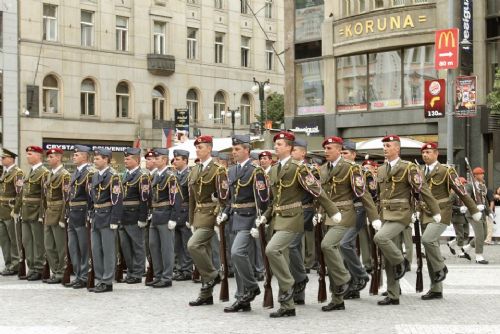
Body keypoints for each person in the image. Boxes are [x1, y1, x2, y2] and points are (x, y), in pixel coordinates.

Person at [257, 131, 339, 318]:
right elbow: (274, 199)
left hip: (293, 218)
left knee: (272, 250)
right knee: (280, 255)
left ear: (289, 148)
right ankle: (287, 304)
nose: (276, 146)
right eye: (275, 144)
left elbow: (317, 191)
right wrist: (266, 216)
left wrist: (333, 212)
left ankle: (288, 286)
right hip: (278, 218)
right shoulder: (276, 168)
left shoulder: (298, 168)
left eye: (279, 144)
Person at [373, 135, 440, 306]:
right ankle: (393, 294)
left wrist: (435, 210)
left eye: (388, 146)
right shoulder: (381, 169)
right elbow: (379, 196)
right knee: (388, 256)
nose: (385, 149)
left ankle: (401, 261)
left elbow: (422, 189)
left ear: (397, 148)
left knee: (380, 238)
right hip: (385, 214)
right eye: (384, 146)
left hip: (401, 214)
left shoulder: (408, 167)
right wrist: (375, 216)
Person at [317, 136, 380, 311]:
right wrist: (319, 213)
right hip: (329, 216)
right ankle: (338, 299)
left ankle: (346, 278)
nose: (326, 152)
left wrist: (374, 217)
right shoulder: (322, 169)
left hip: (346, 213)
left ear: (339, 150)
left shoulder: (351, 168)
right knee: (333, 255)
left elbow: (364, 194)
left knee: (328, 246)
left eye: (330, 148)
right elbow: (323, 196)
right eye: (325, 149)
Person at [419, 142, 480, 300]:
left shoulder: (446, 170)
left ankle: (441, 268)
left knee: (427, 240)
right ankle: (436, 289)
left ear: (436, 154)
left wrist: (473, 209)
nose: (425, 155)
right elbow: (416, 193)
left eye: (428, 152)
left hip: (441, 212)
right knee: (431, 249)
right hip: (424, 213)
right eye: (423, 152)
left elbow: (461, 191)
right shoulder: (419, 171)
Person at [219, 134, 268, 313]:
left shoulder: (256, 171)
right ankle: (242, 297)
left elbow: (263, 199)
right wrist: (225, 213)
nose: (234, 152)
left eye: (237, 149)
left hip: (249, 218)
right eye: (233, 149)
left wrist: (260, 220)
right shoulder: (231, 171)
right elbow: (231, 199)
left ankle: (252, 286)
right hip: (234, 218)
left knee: (237, 252)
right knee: (236, 258)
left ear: (247, 150)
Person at [188, 135, 228, 307]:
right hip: (198, 214)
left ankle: (212, 275)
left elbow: (224, 197)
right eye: (196, 148)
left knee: (193, 245)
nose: (198, 150)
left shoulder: (218, 170)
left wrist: (219, 218)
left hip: (211, 214)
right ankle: (206, 293)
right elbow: (191, 198)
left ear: (209, 149)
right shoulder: (195, 169)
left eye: (201, 147)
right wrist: (190, 220)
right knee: (204, 252)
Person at [338, 141, 377, 300]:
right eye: (341, 153)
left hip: (358, 210)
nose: (343, 156)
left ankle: (361, 275)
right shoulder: (339, 171)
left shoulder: (361, 171)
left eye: (345, 153)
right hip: (343, 213)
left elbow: (372, 194)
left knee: (344, 244)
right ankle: (353, 285)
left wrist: (373, 216)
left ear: (354, 154)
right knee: (345, 247)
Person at [89, 148, 123, 293]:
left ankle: (107, 281)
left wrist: (115, 219)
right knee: (96, 250)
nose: (95, 161)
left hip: (108, 216)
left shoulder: (113, 177)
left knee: (108, 250)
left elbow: (117, 199)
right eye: (94, 158)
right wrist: (90, 214)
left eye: (97, 158)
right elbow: (92, 197)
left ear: (106, 159)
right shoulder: (95, 176)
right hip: (97, 216)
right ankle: (99, 279)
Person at [288, 138, 314, 305]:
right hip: (291, 213)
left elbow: (317, 192)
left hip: (304, 210)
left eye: (295, 150)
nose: (292, 153)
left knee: (292, 245)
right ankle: (299, 293)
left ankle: (301, 278)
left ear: (303, 152)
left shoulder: (307, 169)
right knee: (295, 248)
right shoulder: (289, 168)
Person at [148, 148, 177, 288]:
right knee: (154, 245)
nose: (154, 160)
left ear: (164, 160)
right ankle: (158, 275)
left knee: (166, 248)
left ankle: (167, 277)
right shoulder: (155, 176)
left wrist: (173, 218)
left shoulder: (170, 176)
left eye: (157, 158)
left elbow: (176, 198)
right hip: (155, 214)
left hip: (165, 214)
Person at [119, 148, 150, 284]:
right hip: (123, 215)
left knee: (137, 246)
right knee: (126, 247)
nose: (125, 161)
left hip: (135, 215)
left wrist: (142, 218)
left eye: (128, 159)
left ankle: (137, 272)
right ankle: (130, 271)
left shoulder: (142, 176)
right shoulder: (124, 175)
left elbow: (144, 199)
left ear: (136, 160)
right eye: (125, 159)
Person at [65, 145, 94, 289]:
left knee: (84, 247)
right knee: (73, 247)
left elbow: (91, 196)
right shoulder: (76, 172)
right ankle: (77, 275)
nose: (73, 157)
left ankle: (84, 276)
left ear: (84, 156)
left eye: (76, 155)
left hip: (82, 213)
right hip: (73, 213)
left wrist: (89, 214)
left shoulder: (89, 173)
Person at [43, 147, 71, 284]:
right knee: (49, 245)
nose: (48, 159)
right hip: (49, 212)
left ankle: (62, 272)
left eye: (51, 157)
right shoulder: (49, 174)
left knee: (60, 246)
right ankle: (55, 271)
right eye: (48, 157)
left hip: (58, 212)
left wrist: (62, 217)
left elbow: (66, 198)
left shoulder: (64, 174)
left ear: (59, 157)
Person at [22, 146, 49, 281]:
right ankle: (31, 266)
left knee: (38, 242)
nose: (27, 156)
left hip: (36, 211)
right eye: (27, 154)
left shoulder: (43, 172)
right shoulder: (30, 171)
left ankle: (39, 268)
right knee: (27, 241)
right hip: (26, 211)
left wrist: (41, 214)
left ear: (38, 156)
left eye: (30, 154)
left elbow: (44, 196)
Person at [0, 149, 23, 276]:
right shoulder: (5, 173)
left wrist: (16, 210)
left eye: (4, 157)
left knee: (13, 239)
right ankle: (8, 264)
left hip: (10, 210)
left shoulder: (17, 173)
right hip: (2, 210)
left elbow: (20, 193)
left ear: (11, 159)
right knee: (4, 240)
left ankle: (15, 264)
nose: (2, 159)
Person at [172, 149, 193, 281]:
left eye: (178, 159)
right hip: (176, 213)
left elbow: (192, 198)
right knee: (177, 244)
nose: (175, 161)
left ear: (185, 160)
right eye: (174, 159)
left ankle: (187, 270)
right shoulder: (174, 175)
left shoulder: (189, 175)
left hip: (185, 212)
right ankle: (180, 268)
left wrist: (191, 217)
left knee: (186, 244)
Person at [461, 167, 490, 264]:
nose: (483, 175)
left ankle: (467, 247)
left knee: (484, 234)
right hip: (472, 213)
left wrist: (489, 212)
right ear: (475, 175)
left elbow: (484, 199)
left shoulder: (482, 186)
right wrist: (476, 207)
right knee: (480, 235)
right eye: (480, 174)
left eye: (483, 173)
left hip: (482, 213)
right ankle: (479, 256)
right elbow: (467, 199)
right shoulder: (469, 186)